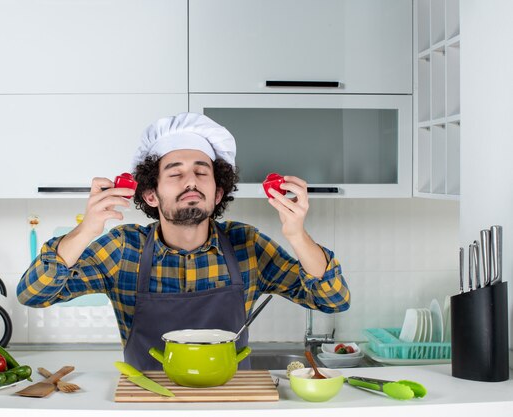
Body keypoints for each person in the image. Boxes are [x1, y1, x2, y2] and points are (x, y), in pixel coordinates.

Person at [17, 112, 350, 370]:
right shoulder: (122, 248)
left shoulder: (245, 244)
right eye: (175, 173)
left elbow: (332, 300)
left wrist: (297, 234)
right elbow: (33, 293)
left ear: (217, 191)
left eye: (202, 172)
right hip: (149, 402)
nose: (191, 180)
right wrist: (87, 230)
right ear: (150, 194)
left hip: (232, 402)